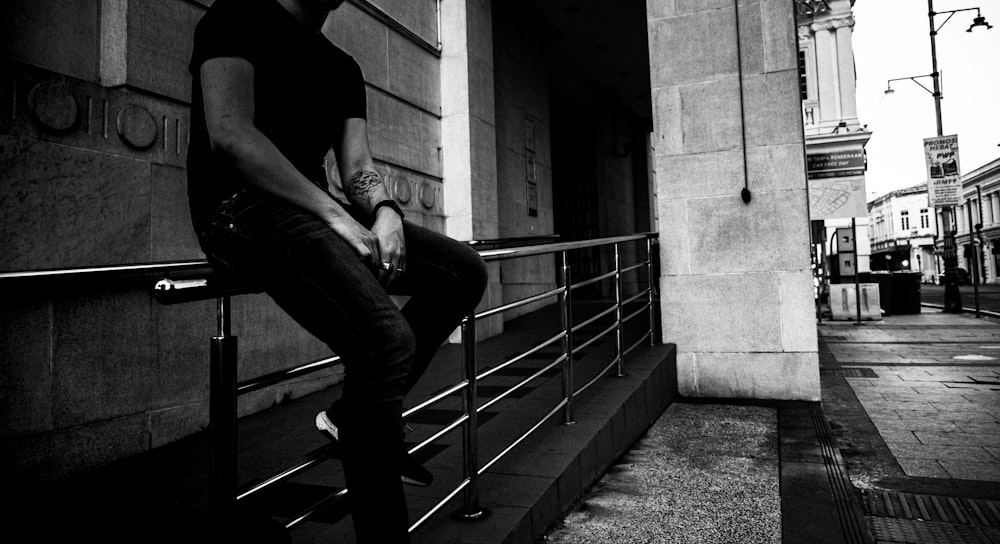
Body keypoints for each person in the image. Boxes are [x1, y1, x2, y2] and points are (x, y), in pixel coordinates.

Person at [186, 0, 488, 541]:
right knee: (382, 338)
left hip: (311, 210)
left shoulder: (342, 65)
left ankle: (354, 416)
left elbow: (357, 168)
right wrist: (334, 219)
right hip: (237, 208)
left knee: (461, 271)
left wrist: (386, 212)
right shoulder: (235, 16)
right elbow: (231, 137)